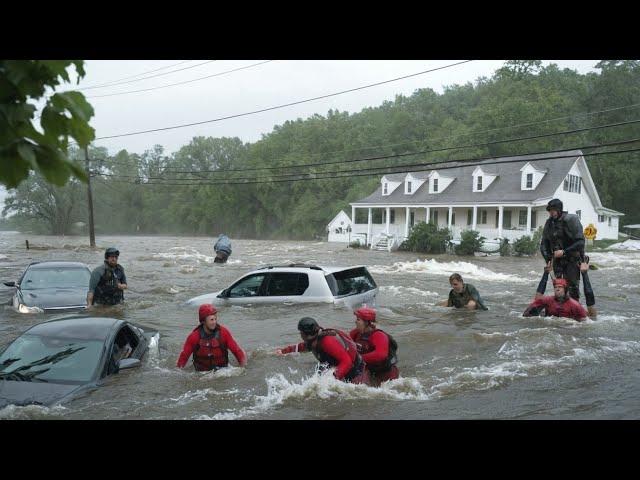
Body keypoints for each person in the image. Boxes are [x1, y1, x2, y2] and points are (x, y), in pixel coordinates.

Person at [275, 317, 370, 385]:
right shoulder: (314, 338)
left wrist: (332, 380)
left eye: (300, 332)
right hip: (342, 365)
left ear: (305, 334)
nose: (300, 335)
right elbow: (303, 346)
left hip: (356, 369)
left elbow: (347, 362)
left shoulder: (327, 341)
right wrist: (283, 351)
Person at [540, 198, 586, 301]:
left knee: (573, 289)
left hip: (572, 260)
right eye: (550, 210)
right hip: (557, 262)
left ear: (559, 209)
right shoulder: (549, 223)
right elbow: (544, 244)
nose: (551, 212)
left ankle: (574, 310)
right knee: (559, 288)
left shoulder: (571, 220)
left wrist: (564, 252)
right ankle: (560, 311)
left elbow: (580, 242)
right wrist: (548, 259)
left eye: (553, 210)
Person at [177, 304, 247, 371]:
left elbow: (237, 351)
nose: (214, 322)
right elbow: (183, 357)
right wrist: (178, 370)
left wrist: (243, 367)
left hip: (223, 371)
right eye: (211, 320)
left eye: (215, 319)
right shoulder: (194, 337)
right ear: (203, 321)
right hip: (201, 373)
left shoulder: (224, 333)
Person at [349, 307, 399, 386]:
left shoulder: (379, 335)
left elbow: (381, 355)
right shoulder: (354, 334)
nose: (355, 322)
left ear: (367, 322)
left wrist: (358, 358)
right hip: (368, 370)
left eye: (358, 319)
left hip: (385, 372)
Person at [523, 277, 588, 321]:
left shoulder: (575, 305)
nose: (557, 289)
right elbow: (528, 311)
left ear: (565, 290)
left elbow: (585, 322)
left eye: (560, 287)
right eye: (555, 287)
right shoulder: (547, 300)